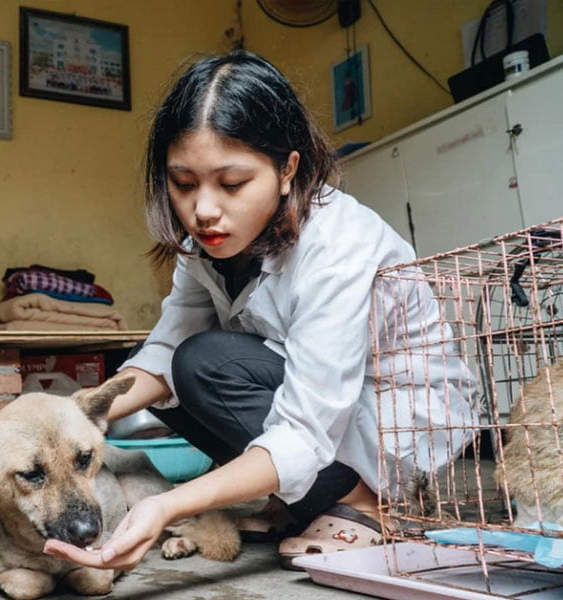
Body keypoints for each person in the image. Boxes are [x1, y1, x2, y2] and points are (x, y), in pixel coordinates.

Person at [43, 50, 476, 572]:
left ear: (288, 169)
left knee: (205, 363)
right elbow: (163, 348)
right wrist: (68, 415)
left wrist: (168, 504)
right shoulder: (209, 242)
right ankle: (298, 497)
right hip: (325, 406)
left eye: (231, 184)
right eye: (183, 183)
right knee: (169, 369)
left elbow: (305, 427)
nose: (203, 210)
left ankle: (367, 503)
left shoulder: (338, 247)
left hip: (397, 427)